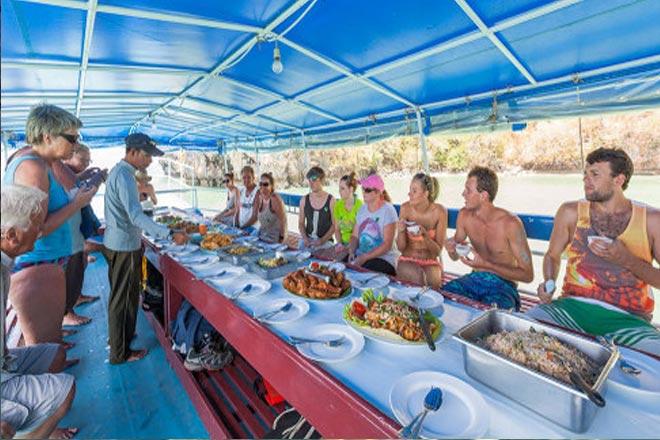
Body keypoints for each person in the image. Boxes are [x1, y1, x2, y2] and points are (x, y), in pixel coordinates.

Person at [528, 148, 660, 354]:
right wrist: (549, 281)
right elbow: (552, 256)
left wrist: (627, 260)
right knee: (524, 328)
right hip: (571, 307)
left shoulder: (651, 220)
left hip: (629, 319)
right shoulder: (570, 212)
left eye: (595, 175)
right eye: (585, 175)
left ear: (619, 179)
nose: (586, 180)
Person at [2, 104, 97, 346]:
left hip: (46, 262)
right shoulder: (32, 168)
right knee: (45, 349)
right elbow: (35, 230)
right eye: (71, 138)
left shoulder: (41, 163)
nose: (75, 144)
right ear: (47, 137)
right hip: (38, 263)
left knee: (50, 341)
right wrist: (77, 203)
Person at [103, 133, 188, 364]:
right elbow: (135, 216)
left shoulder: (121, 174)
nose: (150, 160)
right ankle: (119, 353)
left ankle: (121, 337)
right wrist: (169, 233)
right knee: (122, 299)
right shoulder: (124, 177)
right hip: (123, 246)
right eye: (147, 155)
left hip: (118, 242)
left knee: (128, 295)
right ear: (132, 152)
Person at [1, 184, 77, 439]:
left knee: (56, 354)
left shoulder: (5, 265)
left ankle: (42, 423)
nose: (41, 230)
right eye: (36, 224)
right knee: (66, 389)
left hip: (3, 362)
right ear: (11, 234)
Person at [443, 166, 533, 311]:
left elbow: (528, 275)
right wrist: (450, 249)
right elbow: (454, 256)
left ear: (483, 196)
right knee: (442, 299)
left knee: (491, 317)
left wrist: (486, 264)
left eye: (468, 190)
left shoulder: (510, 224)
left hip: (503, 285)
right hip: (475, 279)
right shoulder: (464, 216)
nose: (463, 194)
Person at [396, 173, 447, 289]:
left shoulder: (440, 212)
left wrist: (425, 236)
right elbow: (401, 248)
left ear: (426, 194)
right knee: (419, 277)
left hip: (430, 261)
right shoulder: (405, 208)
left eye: (414, 191)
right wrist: (401, 231)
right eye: (410, 189)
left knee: (432, 284)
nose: (409, 194)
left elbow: (437, 251)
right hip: (407, 259)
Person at [348, 174, 398, 276]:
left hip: (384, 259)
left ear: (378, 192)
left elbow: (387, 245)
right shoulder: (362, 209)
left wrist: (364, 258)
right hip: (361, 256)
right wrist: (351, 251)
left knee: (363, 272)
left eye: (367, 190)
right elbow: (354, 236)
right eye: (363, 189)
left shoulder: (388, 210)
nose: (363, 192)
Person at [298, 167, 335, 249]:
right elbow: (301, 223)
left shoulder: (331, 200)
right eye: (309, 180)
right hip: (307, 240)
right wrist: (305, 238)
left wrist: (322, 241)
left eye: (314, 180)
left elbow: (334, 225)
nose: (311, 184)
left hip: (325, 242)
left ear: (322, 180)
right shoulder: (304, 200)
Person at [333, 172, 363, 261]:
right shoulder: (338, 205)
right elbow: (337, 229)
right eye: (339, 188)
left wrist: (347, 248)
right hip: (342, 244)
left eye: (342, 188)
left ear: (351, 189)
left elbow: (359, 234)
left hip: (356, 245)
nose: (339, 191)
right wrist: (339, 244)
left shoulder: (360, 206)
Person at [256, 173, 288, 243]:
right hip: (262, 236)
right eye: (261, 184)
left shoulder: (275, 199)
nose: (262, 186)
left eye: (265, 184)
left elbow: (283, 221)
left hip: (273, 239)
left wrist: (282, 237)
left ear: (271, 186)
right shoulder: (260, 197)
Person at [235, 166, 260, 232]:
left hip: (252, 228)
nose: (246, 180)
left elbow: (255, 217)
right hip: (241, 227)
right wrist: (235, 226)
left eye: (249, 177)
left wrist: (241, 228)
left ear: (253, 178)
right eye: (244, 178)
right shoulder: (242, 191)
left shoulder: (257, 192)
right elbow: (237, 211)